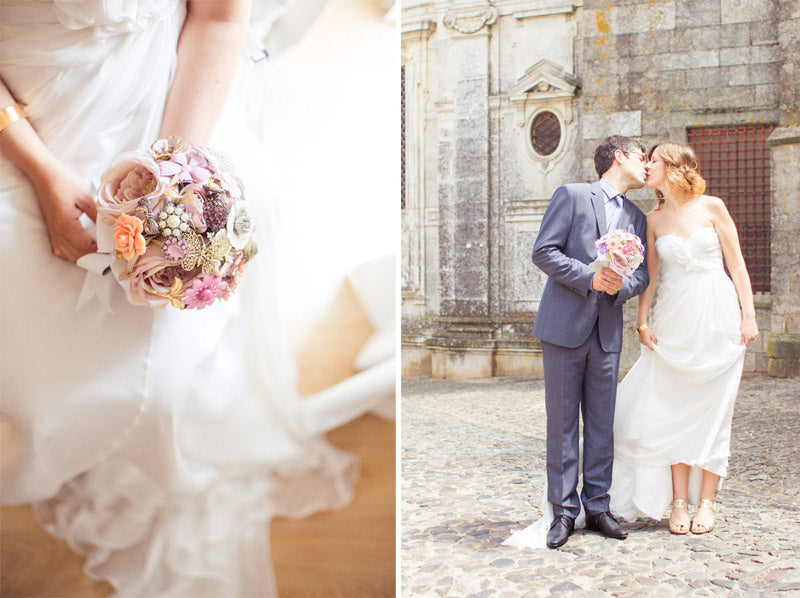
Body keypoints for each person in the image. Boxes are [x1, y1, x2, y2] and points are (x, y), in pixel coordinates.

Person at [0, 0, 388, 594]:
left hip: (169, 102)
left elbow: (217, 17)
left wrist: (174, 180)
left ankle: (158, 445)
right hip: (23, 120)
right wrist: (43, 172)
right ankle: (64, 446)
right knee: (37, 354)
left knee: (176, 360)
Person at [506, 135, 650, 550]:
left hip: (606, 333)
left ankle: (599, 507)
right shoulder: (571, 195)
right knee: (563, 423)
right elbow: (544, 252)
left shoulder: (637, 217)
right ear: (619, 157)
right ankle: (564, 512)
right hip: (563, 327)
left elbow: (641, 277)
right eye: (642, 157)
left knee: (602, 424)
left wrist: (620, 286)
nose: (646, 165)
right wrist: (589, 276)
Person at [609, 142, 758, 535]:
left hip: (718, 316)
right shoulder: (653, 219)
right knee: (673, 407)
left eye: (653, 160)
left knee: (714, 409)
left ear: (674, 165)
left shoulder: (713, 207)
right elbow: (651, 277)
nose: (647, 166)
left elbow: (737, 265)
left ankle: (707, 502)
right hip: (673, 319)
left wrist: (749, 315)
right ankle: (678, 501)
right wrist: (642, 322)